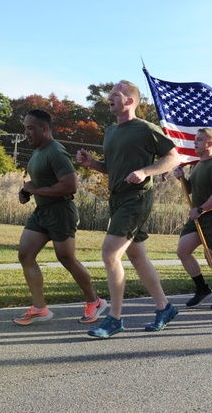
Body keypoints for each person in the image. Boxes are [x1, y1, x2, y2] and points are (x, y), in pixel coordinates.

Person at [76, 80, 180, 338]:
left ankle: (114, 319)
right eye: (109, 94)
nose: (109, 97)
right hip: (117, 198)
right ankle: (164, 307)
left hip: (136, 198)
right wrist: (92, 163)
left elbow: (173, 157)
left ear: (130, 101)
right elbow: (113, 168)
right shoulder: (110, 131)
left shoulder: (145, 129)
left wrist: (145, 171)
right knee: (136, 256)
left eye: (115, 94)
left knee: (110, 253)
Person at [14, 109, 106, 326]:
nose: (26, 133)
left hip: (60, 212)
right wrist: (27, 192)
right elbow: (41, 183)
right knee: (25, 254)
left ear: (44, 128)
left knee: (66, 258)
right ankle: (39, 308)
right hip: (42, 213)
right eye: (25, 128)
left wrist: (37, 190)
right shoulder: (38, 152)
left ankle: (95, 301)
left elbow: (70, 185)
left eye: (30, 128)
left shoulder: (56, 151)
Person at [172, 128, 212, 310]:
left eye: (199, 140)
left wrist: (201, 209)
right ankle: (202, 289)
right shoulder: (198, 165)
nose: (195, 142)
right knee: (183, 251)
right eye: (195, 139)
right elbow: (191, 190)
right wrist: (182, 178)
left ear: (210, 143)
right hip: (198, 216)